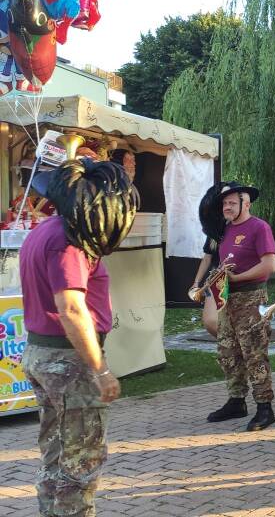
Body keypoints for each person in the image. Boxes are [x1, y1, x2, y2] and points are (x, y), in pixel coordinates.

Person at [21, 156, 138, 517]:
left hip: (42, 354)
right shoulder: (67, 240)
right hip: (67, 363)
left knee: (55, 452)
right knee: (81, 462)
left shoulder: (43, 231)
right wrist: (100, 369)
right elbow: (71, 308)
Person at [206, 182, 275, 431]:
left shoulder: (259, 227)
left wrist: (238, 277)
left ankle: (264, 407)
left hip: (251, 298)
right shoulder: (224, 230)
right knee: (228, 352)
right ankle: (236, 400)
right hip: (228, 300)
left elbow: (269, 266)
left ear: (245, 204)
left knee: (254, 354)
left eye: (232, 203)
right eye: (224, 203)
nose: (226, 207)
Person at [189, 182, 232, 338]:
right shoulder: (214, 230)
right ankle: (229, 343)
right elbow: (207, 257)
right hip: (215, 279)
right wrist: (196, 283)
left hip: (235, 279)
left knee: (230, 321)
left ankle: (232, 346)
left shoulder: (244, 227)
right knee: (210, 321)